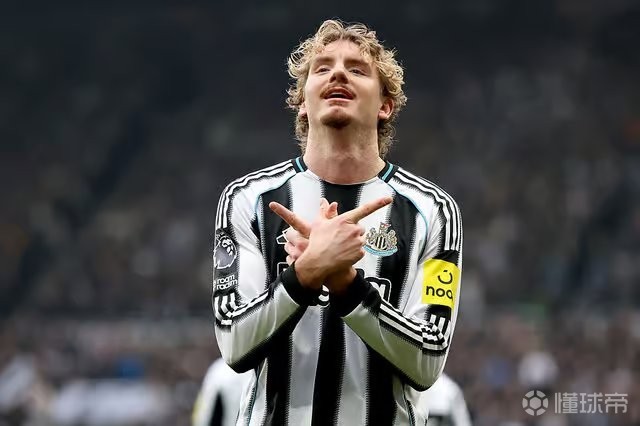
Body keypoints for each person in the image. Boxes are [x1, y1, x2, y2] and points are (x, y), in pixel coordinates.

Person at [212, 19, 463, 425]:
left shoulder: (433, 211)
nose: (339, 74)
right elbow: (234, 343)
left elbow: (428, 359)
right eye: (323, 67)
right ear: (302, 102)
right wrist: (305, 275)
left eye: (357, 69)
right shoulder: (248, 200)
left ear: (384, 106)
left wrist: (346, 285)